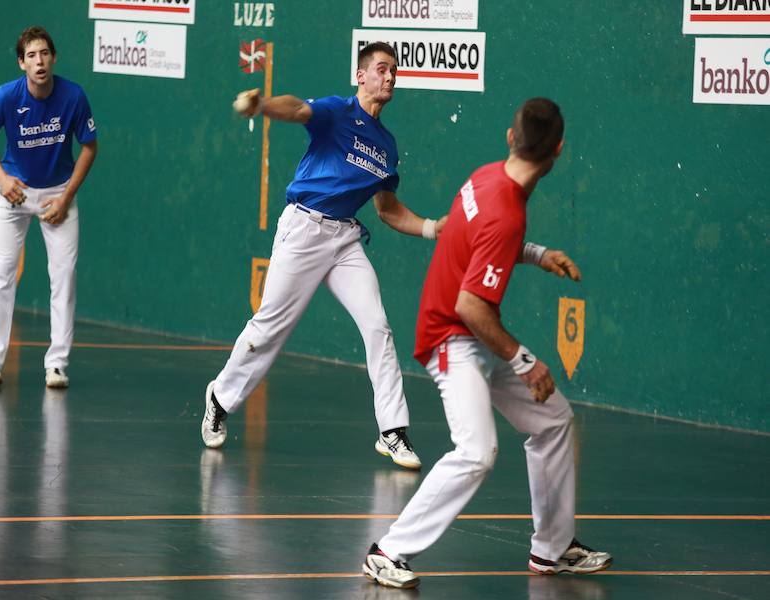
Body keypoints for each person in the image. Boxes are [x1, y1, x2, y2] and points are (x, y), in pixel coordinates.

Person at [362, 98, 612, 589]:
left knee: (553, 421)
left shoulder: (485, 177)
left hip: (471, 333)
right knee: (477, 451)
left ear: (509, 137)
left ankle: (553, 548)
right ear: (558, 149)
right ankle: (388, 550)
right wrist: (525, 361)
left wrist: (537, 255)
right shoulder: (505, 210)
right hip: (451, 336)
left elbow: (472, 240)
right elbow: (470, 306)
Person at [201, 42, 446, 470]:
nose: (390, 78)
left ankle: (393, 431)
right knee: (269, 326)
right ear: (361, 75)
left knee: (378, 326)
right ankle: (220, 396)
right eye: (383, 70)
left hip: (345, 239)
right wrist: (263, 106)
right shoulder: (337, 112)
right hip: (304, 230)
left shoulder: (386, 145)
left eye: (394, 72)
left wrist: (430, 228)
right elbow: (297, 110)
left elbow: (387, 210)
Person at [0, 26, 97, 389]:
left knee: (64, 277)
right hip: (14, 192)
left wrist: (66, 197)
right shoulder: (6, 97)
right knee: (2, 273)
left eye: (44, 53)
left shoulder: (73, 97)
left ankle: (57, 364)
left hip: (58, 193)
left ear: (53, 57)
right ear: (21, 63)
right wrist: (2, 179)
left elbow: (89, 147)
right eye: (31, 55)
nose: (39, 61)